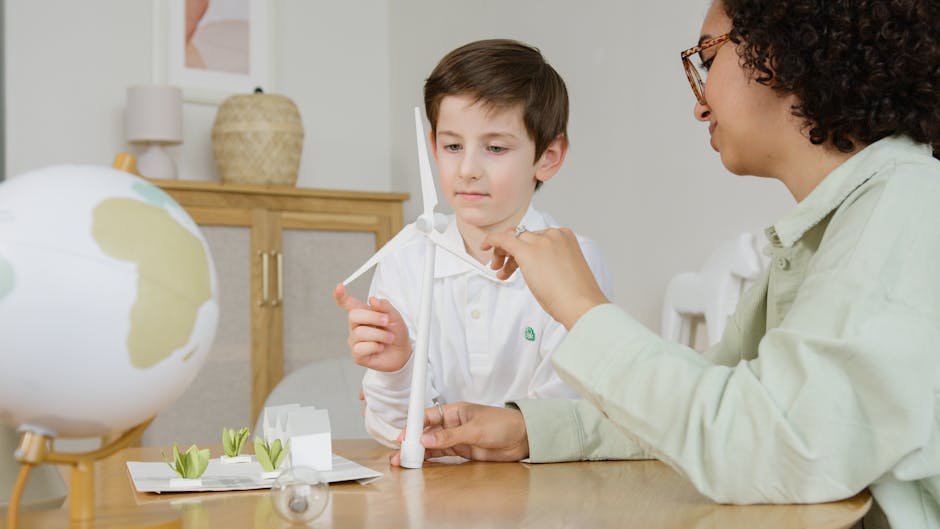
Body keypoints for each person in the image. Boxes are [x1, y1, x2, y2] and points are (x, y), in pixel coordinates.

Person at [398, 2, 940, 528]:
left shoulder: (906, 209)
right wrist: (531, 431)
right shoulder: (839, 227)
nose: (700, 104)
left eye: (707, 58)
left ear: (782, 51)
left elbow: (781, 448)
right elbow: (715, 396)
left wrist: (584, 309)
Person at [333, 39, 612, 447]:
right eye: (452, 146)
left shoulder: (575, 261)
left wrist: (465, 435)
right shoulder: (406, 259)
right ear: (433, 146)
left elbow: (567, 423)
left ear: (548, 157)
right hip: (433, 496)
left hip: (544, 497)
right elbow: (395, 431)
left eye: (495, 148)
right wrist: (396, 367)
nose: (467, 169)